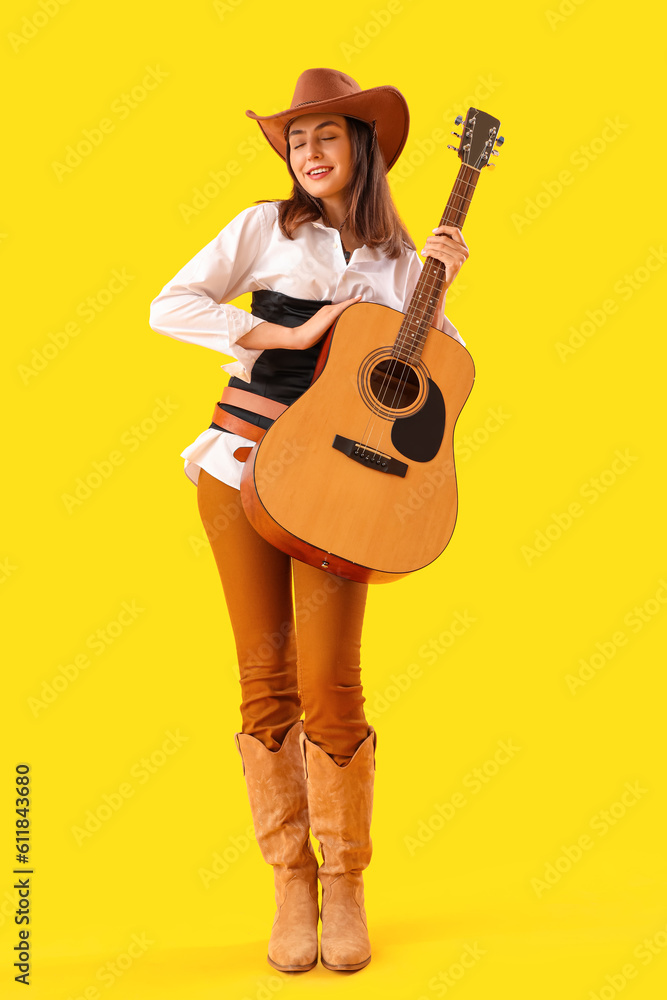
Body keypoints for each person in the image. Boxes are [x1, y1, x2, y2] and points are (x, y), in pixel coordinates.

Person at [149, 67, 469, 974]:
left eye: (327, 136)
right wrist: (284, 337)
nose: (310, 153)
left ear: (361, 149)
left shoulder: (399, 264)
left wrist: (440, 289)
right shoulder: (263, 228)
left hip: (341, 489)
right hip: (241, 465)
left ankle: (347, 882)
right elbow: (168, 304)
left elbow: (440, 386)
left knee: (333, 681)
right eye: (297, 141)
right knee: (264, 682)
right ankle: (291, 882)